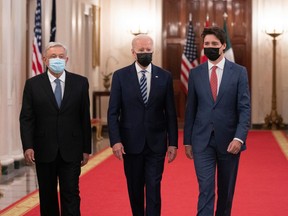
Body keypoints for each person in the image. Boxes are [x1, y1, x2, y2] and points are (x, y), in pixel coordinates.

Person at [107, 34, 178, 216]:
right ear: (133, 52)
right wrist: (115, 140)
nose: (145, 53)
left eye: (148, 50)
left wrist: (173, 143)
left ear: (153, 51)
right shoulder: (121, 76)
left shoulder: (165, 76)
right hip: (131, 144)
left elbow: (170, 112)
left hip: (156, 143)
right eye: (141, 50)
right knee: (135, 189)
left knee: (154, 188)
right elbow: (113, 112)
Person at [184, 26, 251, 216]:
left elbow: (244, 108)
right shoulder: (195, 73)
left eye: (214, 44)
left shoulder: (239, 72)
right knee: (205, 188)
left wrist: (239, 139)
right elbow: (191, 110)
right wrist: (187, 141)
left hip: (230, 142)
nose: (210, 47)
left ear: (223, 45)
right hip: (202, 140)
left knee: (225, 191)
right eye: (206, 44)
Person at [19, 42, 91, 216]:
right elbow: (27, 118)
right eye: (53, 57)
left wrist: (86, 149)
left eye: (61, 56)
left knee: (71, 193)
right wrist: (28, 146)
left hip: (71, 149)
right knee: (47, 195)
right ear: (44, 60)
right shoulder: (33, 85)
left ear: (66, 59)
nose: (57, 60)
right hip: (44, 149)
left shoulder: (80, 83)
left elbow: (84, 118)